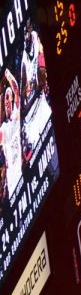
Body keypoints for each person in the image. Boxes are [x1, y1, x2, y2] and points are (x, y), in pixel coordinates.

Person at [0, 69, 23, 201]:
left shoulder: (16, 115)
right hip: (12, 180)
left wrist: (7, 74)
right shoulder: (3, 128)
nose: (7, 102)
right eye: (5, 101)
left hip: (19, 172)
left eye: (9, 98)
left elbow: (17, 90)